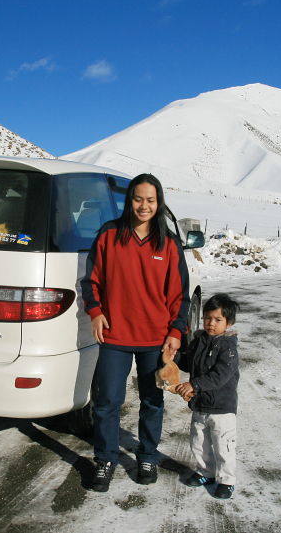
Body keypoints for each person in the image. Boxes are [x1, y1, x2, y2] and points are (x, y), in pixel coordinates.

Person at [81, 173, 191, 492]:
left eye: (151, 200)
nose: (144, 206)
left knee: (152, 401)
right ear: (129, 200)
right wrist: (96, 312)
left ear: (159, 203)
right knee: (107, 403)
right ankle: (105, 459)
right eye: (138, 199)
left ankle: (147, 456)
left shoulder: (168, 243)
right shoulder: (109, 234)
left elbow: (180, 294)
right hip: (114, 336)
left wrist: (176, 331)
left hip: (155, 339)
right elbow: (91, 280)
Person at [173, 293, 240, 500]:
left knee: (223, 445)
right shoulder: (198, 341)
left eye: (218, 320)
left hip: (221, 408)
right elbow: (189, 364)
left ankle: (226, 480)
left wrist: (194, 384)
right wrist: (174, 357)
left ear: (228, 323)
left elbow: (220, 376)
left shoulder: (228, 347)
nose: (211, 323)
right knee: (199, 442)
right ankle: (206, 472)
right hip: (200, 405)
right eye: (207, 318)